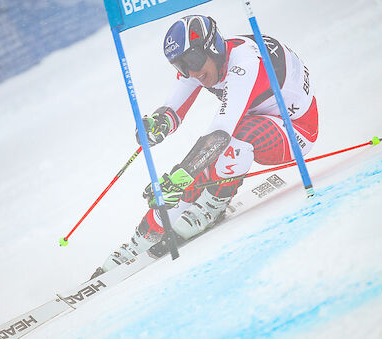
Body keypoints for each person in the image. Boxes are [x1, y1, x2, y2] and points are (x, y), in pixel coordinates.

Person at [92, 15, 318, 278]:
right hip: (254, 122)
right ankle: (144, 237)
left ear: (212, 47)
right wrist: (158, 123)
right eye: (180, 65)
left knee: (225, 145)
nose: (191, 73)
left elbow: (220, 132)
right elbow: (174, 109)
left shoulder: (244, 64)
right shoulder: (199, 65)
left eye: (192, 62)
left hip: (295, 130)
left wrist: (179, 177)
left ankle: (214, 203)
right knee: (197, 169)